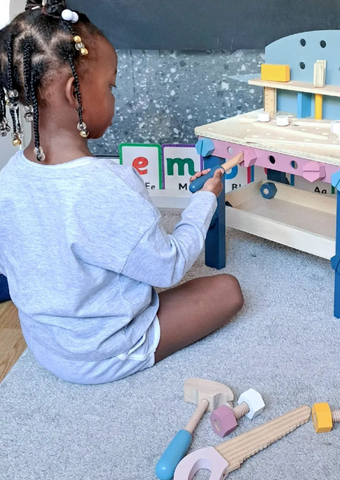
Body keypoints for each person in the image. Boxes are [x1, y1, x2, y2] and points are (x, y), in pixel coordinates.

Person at [0, 0, 244, 385]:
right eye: (110, 86)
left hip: (46, 344)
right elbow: (168, 266)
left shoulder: (10, 176)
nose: (115, 98)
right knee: (227, 290)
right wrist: (205, 200)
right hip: (103, 351)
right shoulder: (106, 184)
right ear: (72, 92)